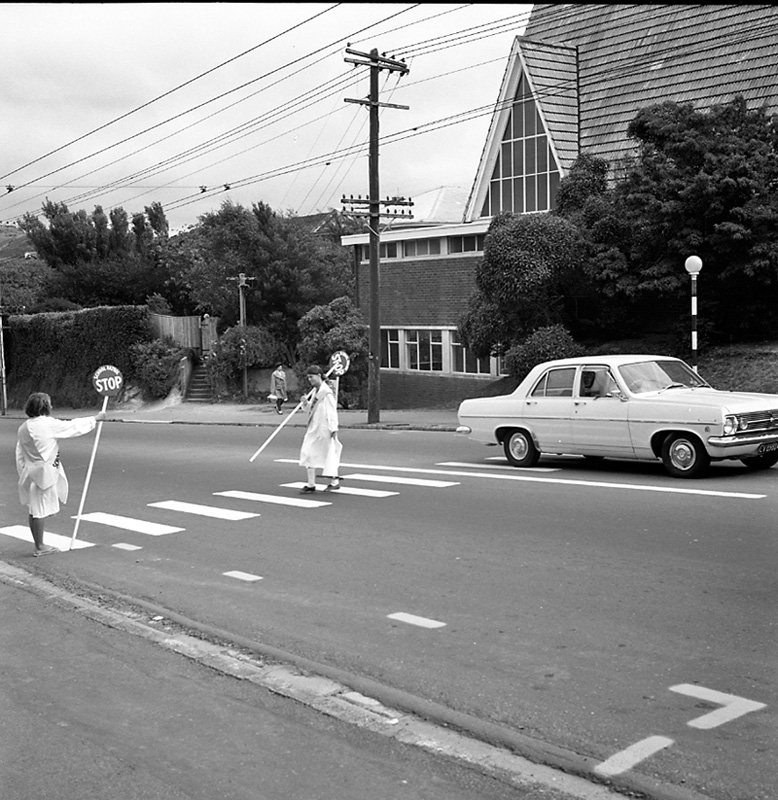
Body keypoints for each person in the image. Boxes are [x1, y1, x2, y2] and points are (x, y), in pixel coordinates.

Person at [15, 392, 105, 556]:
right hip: (45, 472)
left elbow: (19, 454)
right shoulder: (47, 424)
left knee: (34, 509)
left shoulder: (23, 427)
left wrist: (23, 472)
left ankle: (39, 543)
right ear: (45, 407)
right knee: (39, 510)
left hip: (31, 471)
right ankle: (40, 546)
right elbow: (72, 426)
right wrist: (95, 418)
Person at [298, 365, 342, 493]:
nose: (309, 380)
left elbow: (331, 411)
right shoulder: (316, 391)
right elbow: (311, 409)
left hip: (325, 428)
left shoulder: (326, 392)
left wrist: (334, 428)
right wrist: (305, 403)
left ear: (318, 376)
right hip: (314, 428)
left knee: (329, 454)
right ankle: (311, 484)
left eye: (311, 377)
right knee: (308, 452)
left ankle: (334, 482)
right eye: (308, 377)